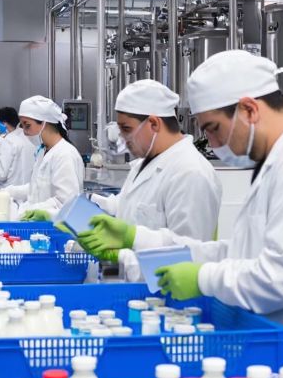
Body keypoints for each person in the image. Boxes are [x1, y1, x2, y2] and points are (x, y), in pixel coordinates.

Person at [77, 51, 283, 375]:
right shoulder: (278, 161)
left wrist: (203, 278)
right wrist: (138, 238)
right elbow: (244, 252)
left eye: (215, 129)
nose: (213, 144)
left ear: (249, 109)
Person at [84, 80, 221, 279]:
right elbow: (128, 207)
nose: (122, 138)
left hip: (169, 301)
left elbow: (189, 256)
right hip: (137, 291)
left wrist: (123, 255)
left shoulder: (191, 172)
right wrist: (92, 206)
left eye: (127, 129)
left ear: (154, 124)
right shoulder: (143, 163)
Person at [7, 95, 85, 220]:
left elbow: (65, 202)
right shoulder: (43, 151)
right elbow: (36, 188)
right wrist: (8, 192)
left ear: (45, 123)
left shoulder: (64, 154)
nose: (25, 132)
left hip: (55, 227)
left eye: (27, 125)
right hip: (40, 225)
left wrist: (30, 210)